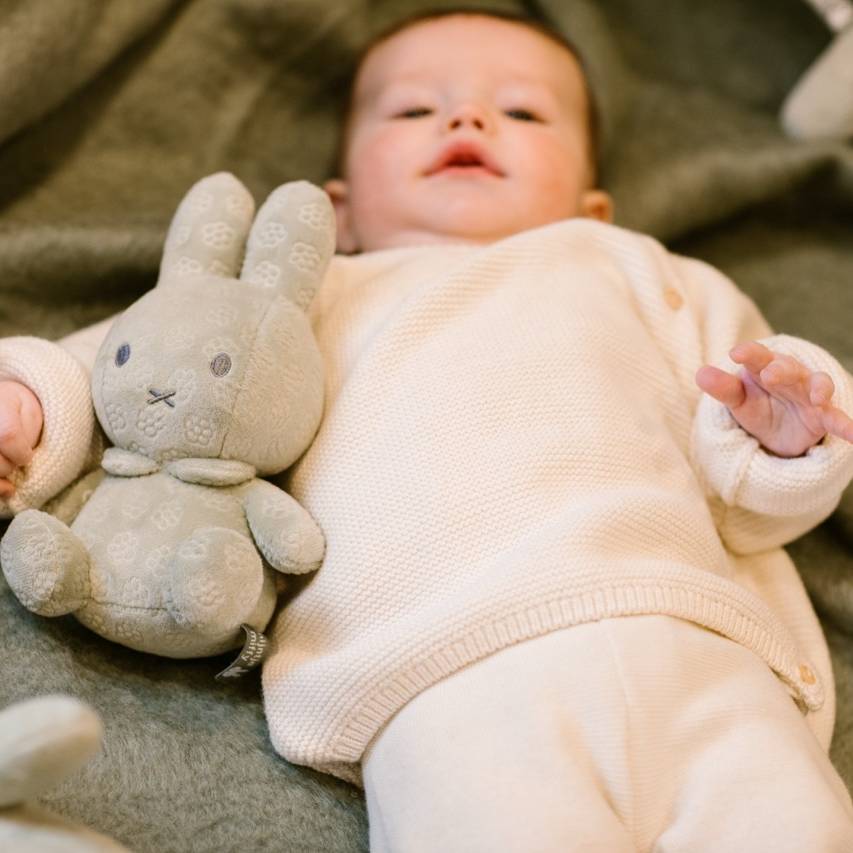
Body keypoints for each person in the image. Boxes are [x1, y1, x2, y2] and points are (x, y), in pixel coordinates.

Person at [1, 9, 853, 851]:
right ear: (338, 210)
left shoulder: (647, 273)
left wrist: (785, 440)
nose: (466, 118)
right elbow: (145, 367)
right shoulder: (306, 300)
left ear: (596, 209)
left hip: (693, 639)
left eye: (521, 111)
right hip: (440, 666)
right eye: (413, 110)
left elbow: (749, 500)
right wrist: (30, 406)